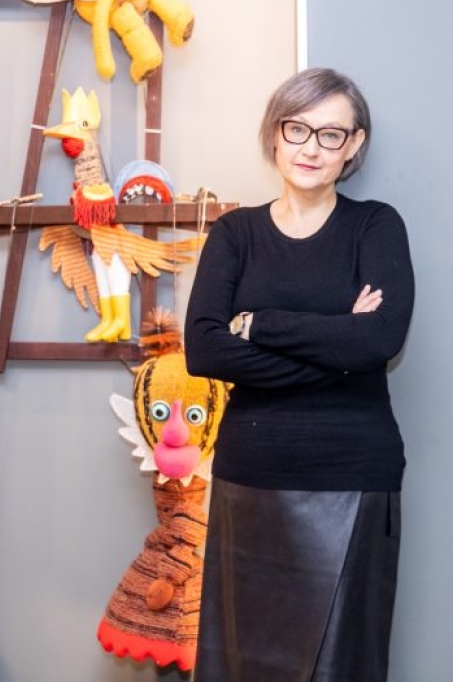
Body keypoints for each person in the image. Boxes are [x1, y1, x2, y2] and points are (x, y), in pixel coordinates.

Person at [184, 67, 415, 681]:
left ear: (354, 144)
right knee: (244, 664)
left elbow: (381, 340)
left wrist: (257, 324)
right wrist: (339, 347)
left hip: (352, 477)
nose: (311, 147)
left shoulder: (375, 226)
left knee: (342, 664)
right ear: (275, 133)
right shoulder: (235, 233)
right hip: (251, 476)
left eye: (331, 134)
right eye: (297, 129)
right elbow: (204, 352)